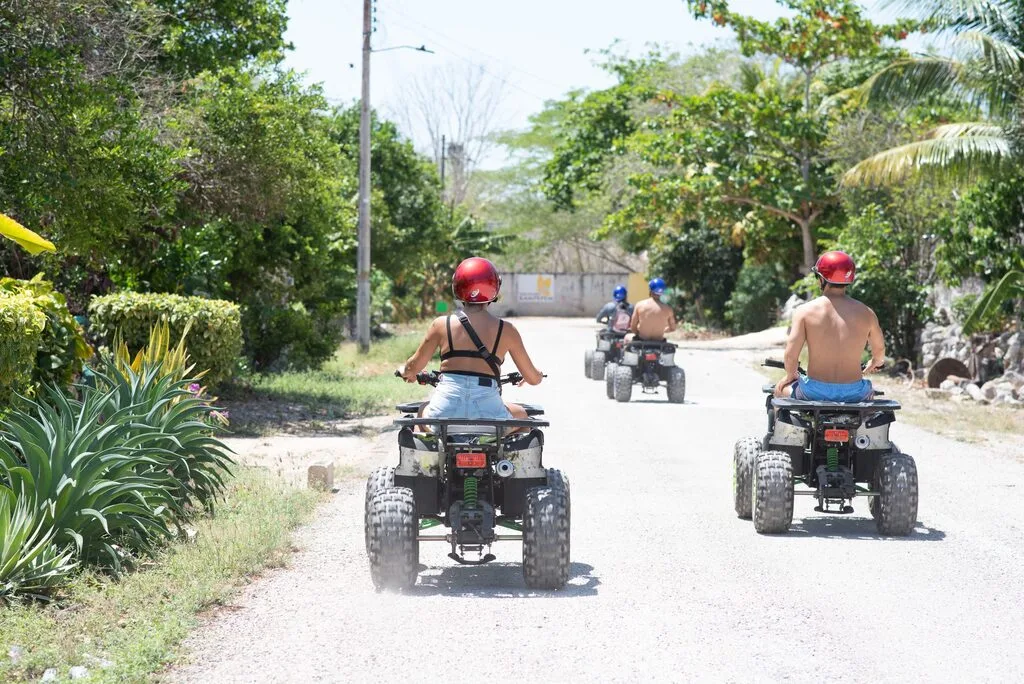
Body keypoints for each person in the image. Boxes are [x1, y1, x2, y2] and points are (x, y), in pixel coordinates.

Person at [398, 256, 544, 421]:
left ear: (457, 286)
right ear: (494, 288)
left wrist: (406, 371)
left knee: (423, 412)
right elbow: (533, 379)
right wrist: (536, 374)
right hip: (489, 412)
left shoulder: (440, 325)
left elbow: (414, 366)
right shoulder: (507, 330)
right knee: (523, 417)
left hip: (445, 410)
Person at [774, 250, 886, 401]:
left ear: (821, 279)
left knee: (778, 391)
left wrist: (790, 375)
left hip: (814, 391)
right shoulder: (867, 313)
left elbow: (790, 355)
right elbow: (879, 353)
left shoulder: (804, 312)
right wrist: (873, 363)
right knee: (870, 395)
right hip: (855, 393)